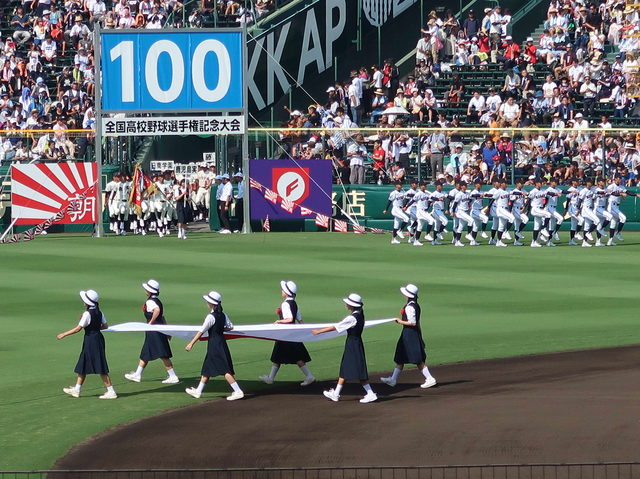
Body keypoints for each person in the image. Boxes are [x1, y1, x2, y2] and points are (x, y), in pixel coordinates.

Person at [312, 294, 377, 404]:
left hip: (353, 344)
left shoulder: (352, 318)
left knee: (357, 369)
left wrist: (319, 331)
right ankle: (336, 393)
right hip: (354, 343)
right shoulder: (359, 314)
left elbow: (337, 327)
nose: (346, 304)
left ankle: (370, 393)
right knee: (345, 367)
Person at [57, 289, 117, 400]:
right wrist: (95, 328)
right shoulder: (99, 312)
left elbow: (78, 328)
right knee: (83, 363)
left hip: (91, 340)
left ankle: (111, 391)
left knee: (100, 365)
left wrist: (64, 334)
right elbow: (105, 326)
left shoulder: (87, 314)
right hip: (97, 339)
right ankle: (77, 389)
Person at [184, 291, 244, 401]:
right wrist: (220, 329)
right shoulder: (223, 315)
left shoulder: (210, 317)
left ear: (212, 303)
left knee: (224, 369)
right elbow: (230, 327)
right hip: (221, 341)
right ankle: (198, 391)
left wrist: (191, 343)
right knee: (207, 366)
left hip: (214, 343)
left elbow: (201, 331)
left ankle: (238, 391)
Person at [259, 281, 316, 386]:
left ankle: (309, 376)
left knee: (296, 357)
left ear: (286, 292)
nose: (281, 291)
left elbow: (289, 319)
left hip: (286, 333)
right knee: (279, 355)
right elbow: (299, 319)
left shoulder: (285, 304)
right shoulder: (293, 303)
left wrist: (278, 321)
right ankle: (270, 378)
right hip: (291, 333)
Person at [381, 284, 437, 389]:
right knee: (401, 357)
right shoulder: (415, 305)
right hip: (409, 334)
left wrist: (400, 321)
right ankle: (393, 379)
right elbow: (418, 324)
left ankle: (430, 378)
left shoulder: (410, 307)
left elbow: (413, 323)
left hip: (410, 334)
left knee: (417, 359)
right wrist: (421, 337)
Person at [124, 280, 179, 384]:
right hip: (158, 330)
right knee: (146, 352)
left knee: (163, 354)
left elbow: (157, 311)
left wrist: (151, 322)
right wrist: (167, 330)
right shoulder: (157, 301)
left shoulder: (150, 302)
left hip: (154, 331)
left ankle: (173, 376)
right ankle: (137, 374)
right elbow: (162, 317)